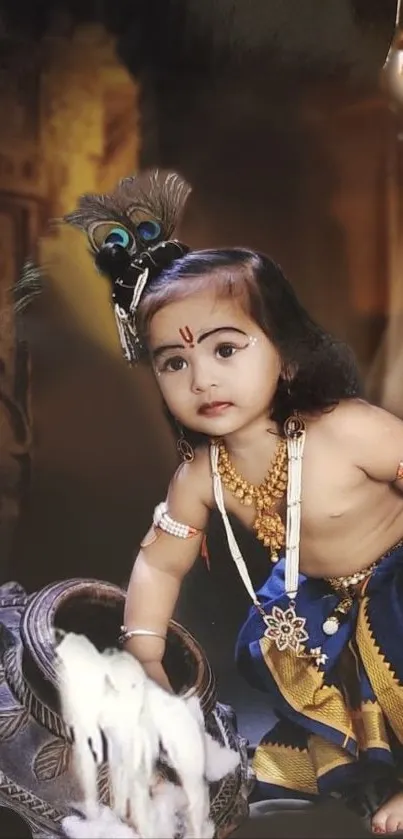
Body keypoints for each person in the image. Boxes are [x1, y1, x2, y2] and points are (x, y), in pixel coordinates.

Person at [52, 171, 403, 834]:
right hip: (324, 602)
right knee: (296, 680)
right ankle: (370, 768)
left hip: (398, 580)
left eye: (224, 349)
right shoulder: (200, 474)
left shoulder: (346, 428)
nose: (202, 376)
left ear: (288, 355)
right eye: (172, 363)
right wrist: (144, 648)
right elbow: (160, 563)